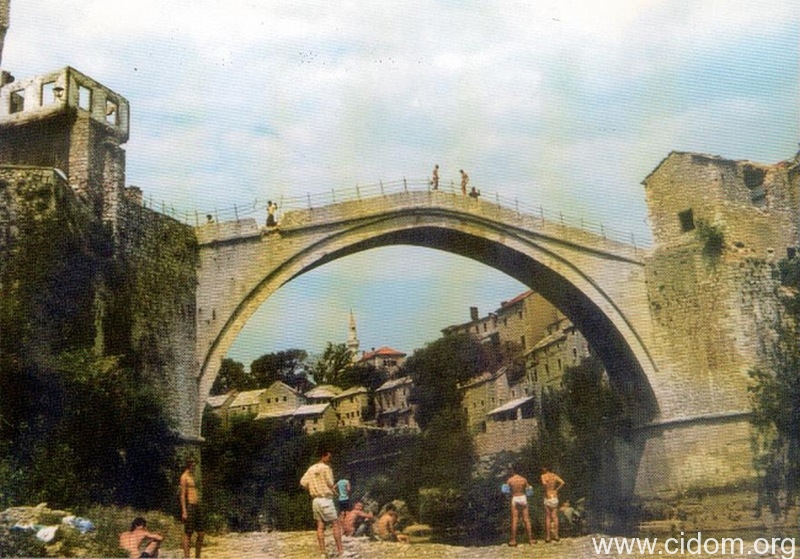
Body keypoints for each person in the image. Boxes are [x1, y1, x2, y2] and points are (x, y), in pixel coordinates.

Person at [300, 449, 344, 557]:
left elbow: (303, 482)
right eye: (329, 457)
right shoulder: (326, 468)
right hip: (325, 499)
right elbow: (330, 482)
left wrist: (313, 488)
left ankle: (323, 552)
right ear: (323, 456)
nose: (330, 459)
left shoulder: (311, 469)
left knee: (320, 525)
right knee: (335, 523)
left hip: (315, 500)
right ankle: (341, 551)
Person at [180, 459, 205, 558]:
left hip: (197, 505)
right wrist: (184, 511)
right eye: (193, 466)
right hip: (190, 506)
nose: (194, 468)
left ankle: (197, 557)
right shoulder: (184, 477)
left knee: (201, 533)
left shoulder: (192, 476)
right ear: (189, 465)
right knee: (188, 533)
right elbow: (182, 495)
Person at [505, 464, 535, 547]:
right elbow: (529, 492)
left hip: (515, 497)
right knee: (526, 519)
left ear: (513, 470)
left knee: (515, 519)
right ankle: (531, 540)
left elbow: (505, 491)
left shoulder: (510, 480)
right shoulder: (524, 479)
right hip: (523, 497)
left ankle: (513, 540)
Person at [541, 466, 565, 542]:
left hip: (548, 495)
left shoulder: (543, 476)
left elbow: (544, 484)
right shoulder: (554, 476)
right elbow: (562, 482)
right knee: (555, 517)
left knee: (548, 517)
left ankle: (548, 537)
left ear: (545, 468)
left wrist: (545, 490)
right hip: (554, 495)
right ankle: (556, 535)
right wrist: (556, 490)